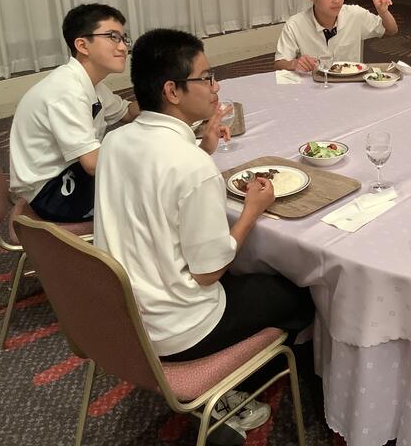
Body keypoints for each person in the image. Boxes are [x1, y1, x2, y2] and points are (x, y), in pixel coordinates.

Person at [94, 28, 315, 436]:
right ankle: (231, 388)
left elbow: (156, 188)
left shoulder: (115, 141)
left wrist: (203, 148)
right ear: (172, 91)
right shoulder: (193, 168)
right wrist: (251, 211)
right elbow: (208, 273)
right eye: (206, 77)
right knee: (300, 295)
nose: (216, 87)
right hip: (181, 329)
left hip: (123, 315)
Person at [9, 3, 140, 222]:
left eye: (123, 38)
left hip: (72, 170)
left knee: (145, 174)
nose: (123, 47)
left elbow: (126, 112)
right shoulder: (67, 91)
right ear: (82, 45)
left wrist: (160, 99)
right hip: (51, 191)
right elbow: (92, 163)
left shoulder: (90, 83)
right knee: (146, 190)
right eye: (113, 37)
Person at [274, 0, 398, 72]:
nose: (337, 0)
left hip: (349, 84)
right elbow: (279, 63)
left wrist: (384, 13)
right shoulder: (295, 24)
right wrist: (294, 63)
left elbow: (391, 30)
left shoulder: (355, 15)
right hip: (313, 86)